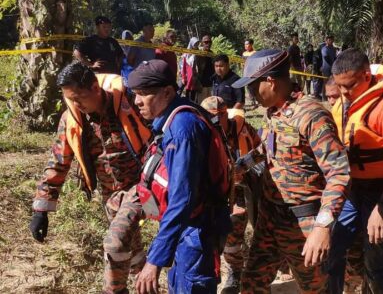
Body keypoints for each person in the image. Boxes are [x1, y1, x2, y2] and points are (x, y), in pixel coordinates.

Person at [104, 59, 232, 294]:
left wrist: (154, 261)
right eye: (135, 93)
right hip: (186, 228)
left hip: (197, 231)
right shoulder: (171, 119)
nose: (137, 101)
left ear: (168, 92)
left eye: (144, 94)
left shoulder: (183, 128)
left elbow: (183, 199)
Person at [231, 49, 350, 293]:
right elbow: (269, 148)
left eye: (253, 87)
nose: (250, 93)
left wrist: (322, 226)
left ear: (270, 82)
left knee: (316, 289)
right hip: (269, 219)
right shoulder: (275, 111)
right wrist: (237, 167)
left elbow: (339, 172)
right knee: (251, 284)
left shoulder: (312, 115)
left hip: (304, 225)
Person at [27, 62, 151, 293]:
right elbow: (58, 161)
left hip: (142, 188)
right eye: (70, 99)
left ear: (95, 88)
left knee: (115, 243)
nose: (76, 105)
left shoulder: (130, 103)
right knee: (131, 250)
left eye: (79, 98)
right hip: (110, 196)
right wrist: (41, 209)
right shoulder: (72, 119)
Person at [328, 48, 383, 293]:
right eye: (339, 87)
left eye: (349, 86)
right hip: (353, 189)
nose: (343, 93)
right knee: (332, 247)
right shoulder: (346, 101)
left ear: (366, 76)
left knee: (376, 259)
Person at [200, 96, 262, 294]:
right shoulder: (201, 134)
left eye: (221, 116)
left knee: (234, 231)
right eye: (211, 117)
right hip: (214, 192)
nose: (217, 121)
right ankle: (225, 271)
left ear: (227, 114)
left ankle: (237, 272)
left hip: (243, 189)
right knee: (213, 237)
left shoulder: (243, 129)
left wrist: (246, 166)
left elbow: (264, 151)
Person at [181, 37, 201, 102]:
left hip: (195, 75)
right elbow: (183, 66)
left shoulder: (198, 52)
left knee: (194, 91)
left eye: (197, 44)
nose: (196, 45)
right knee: (188, 90)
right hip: (188, 75)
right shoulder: (186, 54)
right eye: (195, 44)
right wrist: (183, 77)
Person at [197, 34, 215, 103]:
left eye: (209, 42)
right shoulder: (199, 54)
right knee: (202, 104)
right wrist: (197, 83)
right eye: (206, 42)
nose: (208, 44)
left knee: (210, 105)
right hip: (202, 84)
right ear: (202, 43)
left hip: (211, 84)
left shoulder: (212, 54)